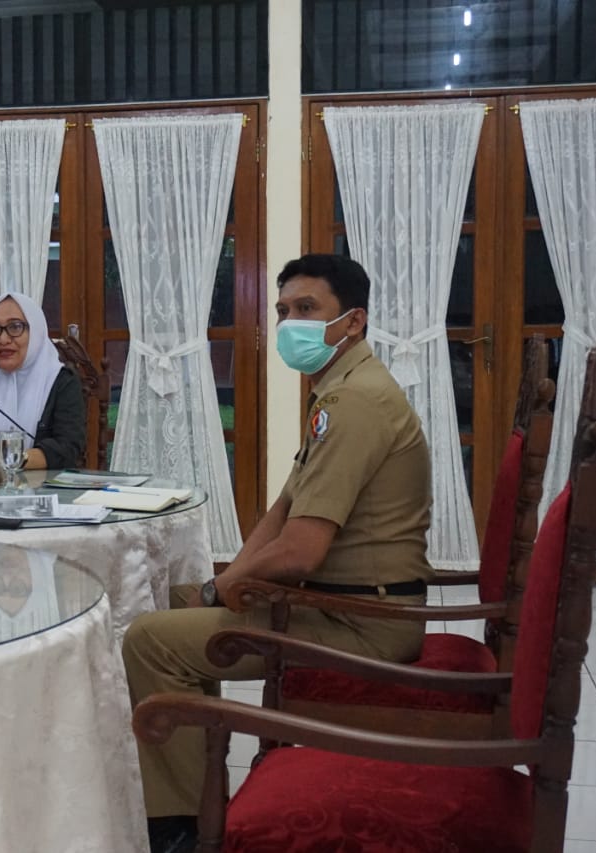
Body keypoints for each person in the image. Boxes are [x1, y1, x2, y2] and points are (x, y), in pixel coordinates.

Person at [123, 254, 434, 853]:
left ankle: (178, 828)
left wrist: (224, 587)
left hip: (364, 624)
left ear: (353, 321)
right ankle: (195, 789)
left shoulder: (355, 403)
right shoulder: (341, 390)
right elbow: (284, 511)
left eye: (307, 309)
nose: (291, 323)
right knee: (176, 604)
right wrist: (223, 583)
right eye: (284, 310)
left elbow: (300, 551)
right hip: (340, 605)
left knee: (148, 639)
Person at [0, 291, 86, 470]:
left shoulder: (61, 381)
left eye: (15, 327)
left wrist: (12, 459)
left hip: (42, 484)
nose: (3, 339)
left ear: (35, 332)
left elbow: (68, 448)